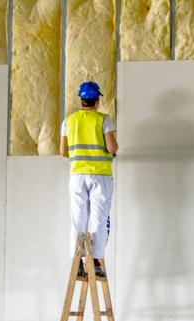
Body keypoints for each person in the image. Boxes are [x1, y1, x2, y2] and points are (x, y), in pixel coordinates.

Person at [60, 81, 119, 278]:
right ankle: (95, 262)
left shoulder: (69, 121)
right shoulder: (104, 120)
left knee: (78, 219)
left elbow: (63, 151)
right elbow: (112, 148)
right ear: (97, 101)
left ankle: (76, 263)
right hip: (100, 175)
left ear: (81, 99)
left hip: (77, 177)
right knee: (98, 219)